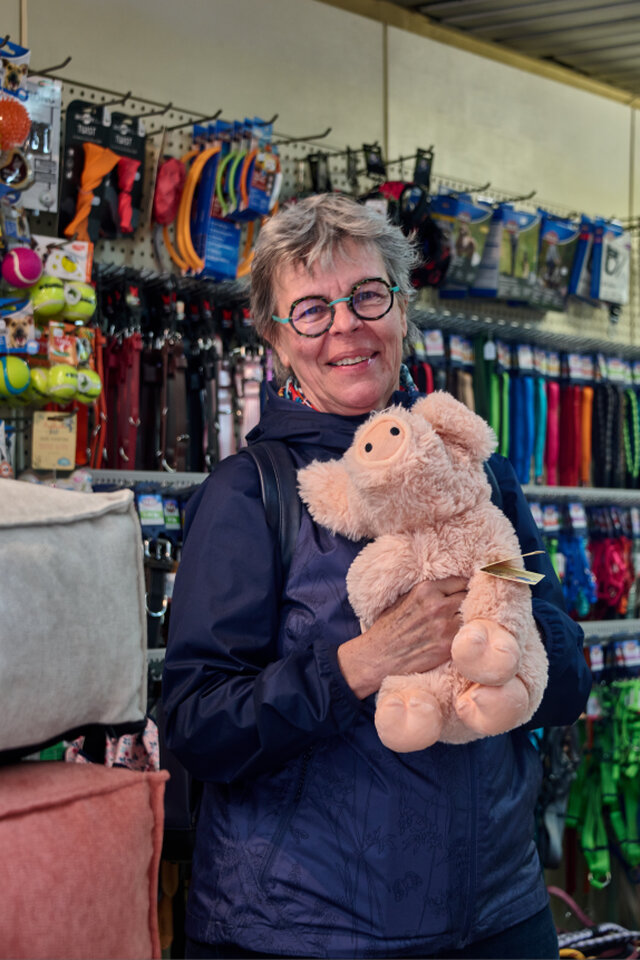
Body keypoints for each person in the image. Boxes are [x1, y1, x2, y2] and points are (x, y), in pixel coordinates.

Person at [163, 193, 591, 960]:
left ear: (402, 305)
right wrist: (366, 661)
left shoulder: (478, 474)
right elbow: (196, 727)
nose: (346, 328)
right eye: (312, 309)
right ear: (275, 336)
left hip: (499, 915)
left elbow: (566, 685)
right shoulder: (250, 493)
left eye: (366, 295)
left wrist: (506, 626)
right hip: (300, 933)